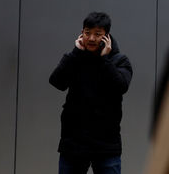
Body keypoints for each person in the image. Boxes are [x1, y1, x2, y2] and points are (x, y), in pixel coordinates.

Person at [50, 11, 133, 174]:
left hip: (107, 144)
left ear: (106, 36)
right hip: (74, 144)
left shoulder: (119, 61)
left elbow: (121, 86)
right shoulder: (75, 58)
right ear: (82, 33)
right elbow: (57, 82)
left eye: (97, 34)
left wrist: (104, 60)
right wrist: (75, 53)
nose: (92, 38)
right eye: (87, 33)